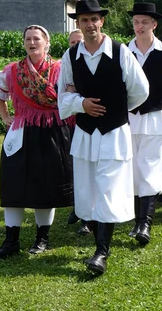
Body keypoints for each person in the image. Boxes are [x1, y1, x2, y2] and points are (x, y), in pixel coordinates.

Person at [58, 0, 149, 275]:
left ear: (102, 21)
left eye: (94, 19)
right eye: (84, 20)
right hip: (85, 134)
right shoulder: (70, 56)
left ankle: (101, 252)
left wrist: (117, 110)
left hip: (113, 132)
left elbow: (140, 91)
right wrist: (81, 104)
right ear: (78, 24)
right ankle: (99, 244)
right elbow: (62, 96)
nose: (90, 24)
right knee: (89, 192)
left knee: (108, 188)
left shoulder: (121, 52)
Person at [0, 25, 74, 259]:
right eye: (28, 39)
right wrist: (6, 117)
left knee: (46, 186)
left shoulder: (61, 69)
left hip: (53, 133)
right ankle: (11, 240)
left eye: (37, 38)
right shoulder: (13, 71)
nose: (32, 42)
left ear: (47, 42)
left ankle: (42, 239)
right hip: (22, 133)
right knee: (14, 184)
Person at [126, 2, 162, 245]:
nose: (139, 26)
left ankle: (144, 223)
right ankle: (136, 219)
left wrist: (156, 105)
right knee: (133, 170)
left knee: (150, 168)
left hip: (156, 120)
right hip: (128, 121)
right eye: (136, 22)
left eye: (144, 22)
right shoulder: (123, 52)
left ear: (154, 24)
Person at [64, 29, 94, 237]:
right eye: (72, 42)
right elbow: (64, 91)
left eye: (78, 42)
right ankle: (78, 207)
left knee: (91, 171)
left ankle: (88, 219)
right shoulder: (67, 63)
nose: (75, 45)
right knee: (76, 169)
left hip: (90, 122)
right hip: (68, 123)